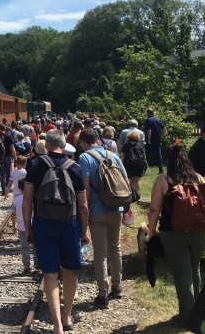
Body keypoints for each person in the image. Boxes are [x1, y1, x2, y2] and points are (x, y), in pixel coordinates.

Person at [23, 129, 89, 333]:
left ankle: (57, 325)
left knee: (50, 274)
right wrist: (83, 232)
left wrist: (28, 229)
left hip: (43, 223)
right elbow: (83, 206)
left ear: (48, 144)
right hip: (69, 224)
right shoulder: (75, 167)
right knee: (70, 271)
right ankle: (67, 316)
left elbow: (26, 202)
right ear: (63, 144)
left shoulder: (34, 164)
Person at [147, 145, 205, 327]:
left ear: (168, 161)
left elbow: (154, 208)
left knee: (182, 274)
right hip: (199, 231)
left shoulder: (163, 179)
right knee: (195, 269)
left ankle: (186, 316)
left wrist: (151, 231)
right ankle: (197, 310)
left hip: (173, 232)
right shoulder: (198, 178)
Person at [78, 128, 126, 309]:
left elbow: (85, 188)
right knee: (115, 248)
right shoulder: (112, 155)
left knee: (100, 253)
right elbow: (125, 180)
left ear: (83, 143)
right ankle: (117, 286)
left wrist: (85, 211)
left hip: (97, 211)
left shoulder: (84, 158)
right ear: (97, 140)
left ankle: (102, 295)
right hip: (117, 208)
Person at [12, 179, 36, 274]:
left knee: (24, 248)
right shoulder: (32, 199)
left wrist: (14, 226)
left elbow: (13, 214)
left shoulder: (16, 200)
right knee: (35, 245)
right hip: (32, 225)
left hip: (22, 227)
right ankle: (37, 261)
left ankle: (27, 266)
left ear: (18, 187)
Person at [120, 131, 148, 195]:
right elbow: (144, 158)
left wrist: (121, 166)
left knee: (130, 181)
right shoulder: (140, 147)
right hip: (139, 166)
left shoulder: (125, 146)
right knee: (137, 181)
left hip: (128, 166)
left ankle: (131, 194)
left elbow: (122, 158)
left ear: (129, 138)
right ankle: (136, 194)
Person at [0, 124, 16, 198]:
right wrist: (15, 156)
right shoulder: (9, 137)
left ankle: (3, 190)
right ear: (5, 129)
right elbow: (12, 148)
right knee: (8, 173)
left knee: (2, 174)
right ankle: (7, 188)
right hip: (8, 156)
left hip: (0, 157)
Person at [144, 109, 166, 174]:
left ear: (148, 113)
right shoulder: (158, 120)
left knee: (147, 155)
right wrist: (161, 137)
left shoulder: (148, 120)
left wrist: (149, 139)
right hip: (158, 140)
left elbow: (149, 130)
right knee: (159, 154)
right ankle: (161, 169)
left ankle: (144, 169)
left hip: (151, 140)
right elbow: (164, 129)